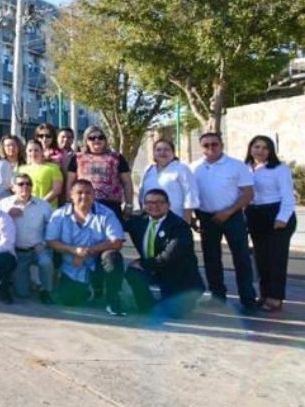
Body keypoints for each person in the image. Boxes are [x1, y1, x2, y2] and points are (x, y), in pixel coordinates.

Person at [191, 132, 256, 311]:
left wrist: (228, 212)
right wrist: (193, 217)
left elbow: (248, 193)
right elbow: (192, 194)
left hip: (233, 216)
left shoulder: (236, 166)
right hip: (206, 218)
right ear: (201, 147)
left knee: (241, 258)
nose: (210, 148)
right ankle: (217, 296)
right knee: (211, 259)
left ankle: (248, 298)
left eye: (214, 144)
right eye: (206, 145)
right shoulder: (194, 167)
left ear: (222, 145)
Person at [46, 179, 127, 315]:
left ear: (94, 195)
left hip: (97, 262)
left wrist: (87, 252)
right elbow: (51, 241)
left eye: (88, 193)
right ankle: (91, 290)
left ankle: (112, 299)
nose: (84, 196)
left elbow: (117, 241)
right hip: (72, 265)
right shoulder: (59, 215)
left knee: (113, 257)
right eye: (79, 193)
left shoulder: (107, 214)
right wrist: (74, 251)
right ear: (71, 195)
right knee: (69, 301)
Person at [125, 189, 204, 319]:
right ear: (144, 205)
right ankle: (146, 306)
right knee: (133, 272)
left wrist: (142, 263)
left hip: (177, 275)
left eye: (159, 202)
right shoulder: (138, 220)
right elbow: (114, 223)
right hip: (155, 268)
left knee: (173, 313)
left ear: (168, 205)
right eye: (149, 202)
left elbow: (168, 258)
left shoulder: (180, 227)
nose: (154, 206)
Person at [244, 135, 296, 313]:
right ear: (250, 148)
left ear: (271, 150)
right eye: (256, 146)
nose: (260, 150)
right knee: (261, 258)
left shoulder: (279, 169)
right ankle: (264, 294)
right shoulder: (245, 168)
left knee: (276, 258)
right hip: (255, 215)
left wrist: (282, 218)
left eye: (265, 147)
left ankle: (275, 298)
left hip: (277, 214)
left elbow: (288, 196)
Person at [0, 173, 54, 304]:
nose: (25, 186)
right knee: (22, 294)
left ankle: (46, 291)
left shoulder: (43, 205)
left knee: (46, 262)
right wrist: (7, 215)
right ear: (13, 187)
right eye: (21, 184)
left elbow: (53, 228)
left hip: (37, 249)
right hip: (17, 251)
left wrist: (45, 243)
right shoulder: (4, 204)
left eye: (28, 184)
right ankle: (27, 282)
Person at [63, 126, 132, 220]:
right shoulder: (77, 158)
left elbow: (127, 182)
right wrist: (69, 201)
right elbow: (70, 182)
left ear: (105, 140)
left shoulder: (117, 157)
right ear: (86, 141)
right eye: (92, 138)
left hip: (111, 205)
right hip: (83, 204)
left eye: (100, 137)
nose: (96, 140)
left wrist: (129, 204)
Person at [138, 139, 198, 224]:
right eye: (158, 150)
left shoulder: (181, 169)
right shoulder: (149, 169)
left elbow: (190, 195)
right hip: (151, 218)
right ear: (154, 153)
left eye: (166, 149)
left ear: (173, 153)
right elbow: (142, 193)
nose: (162, 153)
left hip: (175, 218)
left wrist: (186, 220)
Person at [18, 140, 63, 208]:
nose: (33, 153)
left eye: (36, 150)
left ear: (42, 151)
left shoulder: (53, 168)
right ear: (26, 152)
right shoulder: (20, 169)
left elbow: (57, 190)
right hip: (26, 208)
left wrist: (40, 204)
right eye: (30, 150)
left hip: (47, 209)